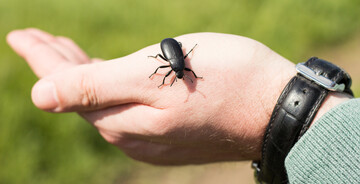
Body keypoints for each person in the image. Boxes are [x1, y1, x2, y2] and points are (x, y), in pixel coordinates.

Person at [6, 28, 360, 183]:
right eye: (179, 75)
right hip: (169, 47)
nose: (180, 76)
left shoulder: (183, 67)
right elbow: (170, 65)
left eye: (179, 75)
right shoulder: (177, 66)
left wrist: (260, 100)